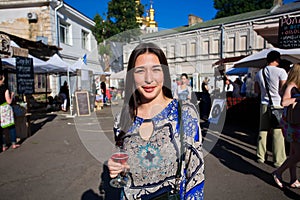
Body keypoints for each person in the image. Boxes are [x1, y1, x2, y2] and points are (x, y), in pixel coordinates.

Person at [108, 43, 205, 199]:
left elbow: (196, 174)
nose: (148, 79)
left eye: (155, 69)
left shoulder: (184, 112)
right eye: (140, 71)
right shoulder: (122, 117)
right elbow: (121, 156)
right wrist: (117, 166)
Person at [254, 50, 287, 167]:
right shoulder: (281, 72)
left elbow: (256, 91)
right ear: (277, 59)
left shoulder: (259, 73)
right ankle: (278, 160)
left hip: (263, 104)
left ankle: (260, 156)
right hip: (277, 104)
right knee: (277, 133)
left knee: (262, 131)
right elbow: (283, 90)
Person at [272, 63, 300, 189]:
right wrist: (297, 99)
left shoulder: (292, 85)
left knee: (293, 152)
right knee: (297, 154)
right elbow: (284, 102)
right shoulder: (291, 85)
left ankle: (294, 179)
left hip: (293, 123)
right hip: (293, 124)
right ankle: (278, 172)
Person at [0, 72, 20, 151]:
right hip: (5, 109)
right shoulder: (5, 89)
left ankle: (3, 145)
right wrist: (11, 95)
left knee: (1, 128)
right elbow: (9, 101)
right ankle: (14, 143)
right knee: (11, 126)